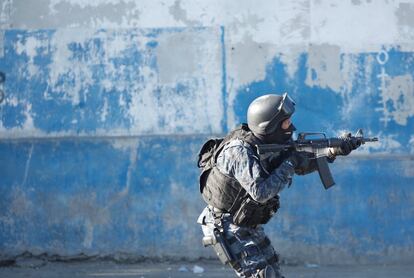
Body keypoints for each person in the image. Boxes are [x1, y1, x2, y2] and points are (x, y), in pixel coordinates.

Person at [196, 93, 360, 278]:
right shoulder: (239, 151)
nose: (291, 126)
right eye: (286, 122)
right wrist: (290, 163)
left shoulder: (271, 142)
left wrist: (331, 151)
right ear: (269, 126)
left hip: (247, 221)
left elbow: (300, 165)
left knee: (273, 270)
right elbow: (261, 192)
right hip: (226, 224)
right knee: (262, 275)